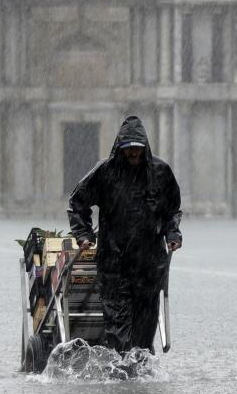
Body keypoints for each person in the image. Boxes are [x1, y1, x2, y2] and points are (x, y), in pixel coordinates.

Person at [67, 115, 182, 354]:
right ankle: (120, 371)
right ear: (120, 148)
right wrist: (83, 234)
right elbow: (78, 202)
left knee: (144, 331)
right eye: (128, 149)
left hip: (149, 267)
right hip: (114, 265)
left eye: (138, 149)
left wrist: (173, 234)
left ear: (145, 148)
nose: (133, 155)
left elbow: (172, 210)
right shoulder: (105, 172)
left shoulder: (160, 173)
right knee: (118, 328)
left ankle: (138, 370)